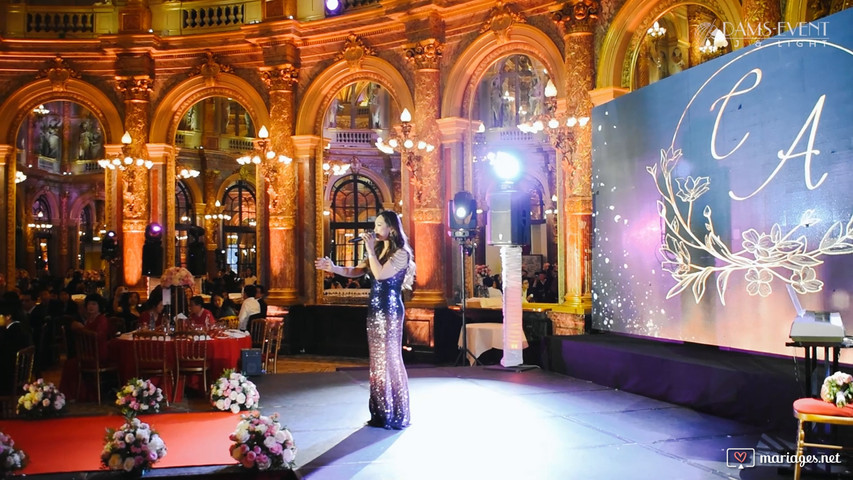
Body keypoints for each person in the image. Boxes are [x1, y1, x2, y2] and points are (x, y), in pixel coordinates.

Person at [315, 210, 415, 430]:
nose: (376, 229)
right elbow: (356, 271)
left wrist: (369, 249)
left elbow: (380, 275)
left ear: (392, 228)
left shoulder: (401, 253)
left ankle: (397, 411)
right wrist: (333, 268)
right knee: (377, 360)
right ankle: (381, 411)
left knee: (391, 358)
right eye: (375, 225)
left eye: (380, 225)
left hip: (390, 310)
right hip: (374, 309)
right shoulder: (378, 249)